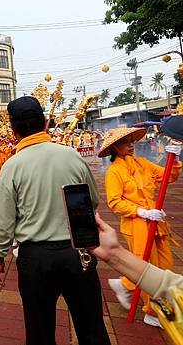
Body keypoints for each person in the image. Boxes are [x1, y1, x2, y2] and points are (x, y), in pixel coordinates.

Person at [0, 96, 110, 345]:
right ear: (45, 122)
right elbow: (93, 201)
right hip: (79, 252)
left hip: (35, 258)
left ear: (13, 130)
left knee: (39, 330)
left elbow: (4, 220)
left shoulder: (12, 166)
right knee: (92, 328)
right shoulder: (72, 156)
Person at [99, 127, 181, 327]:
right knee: (147, 267)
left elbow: (168, 176)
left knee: (164, 265)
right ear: (115, 148)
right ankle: (152, 311)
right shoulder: (114, 172)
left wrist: (174, 159)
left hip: (157, 222)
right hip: (137, 224)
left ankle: (126, 284)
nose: (131, 145)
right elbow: (115, 202)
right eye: (126, 142)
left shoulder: (142, 164)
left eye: (131, 141)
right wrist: (141, 212)